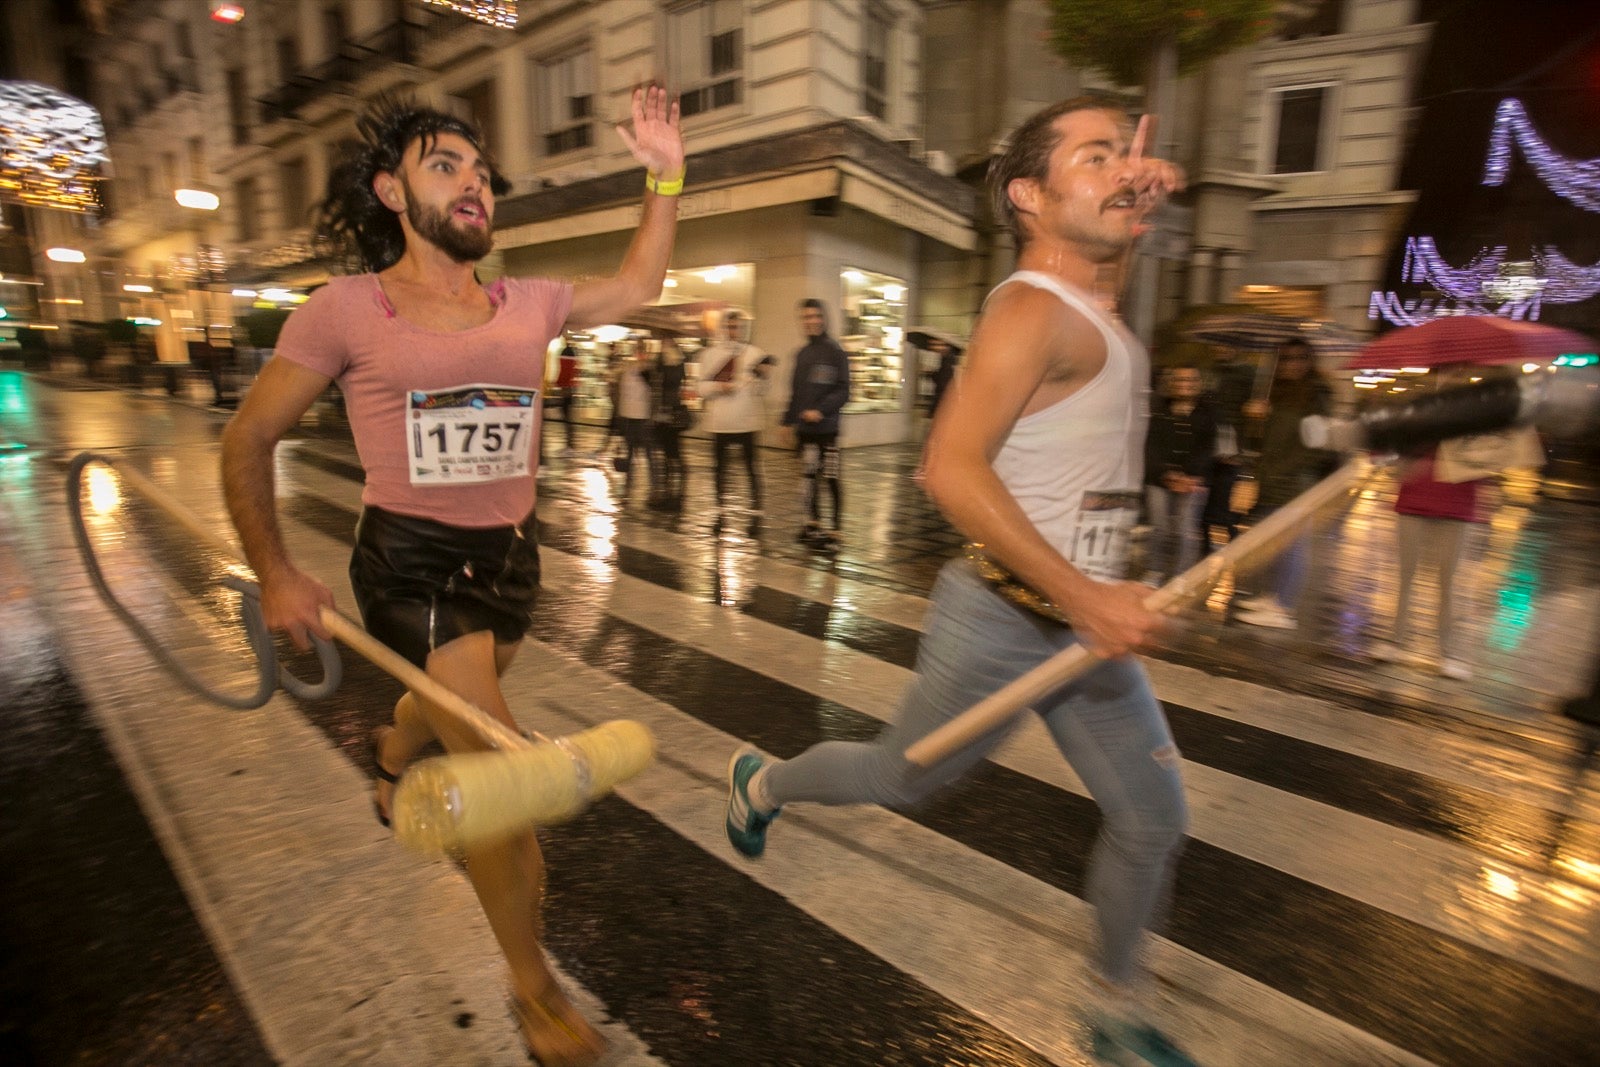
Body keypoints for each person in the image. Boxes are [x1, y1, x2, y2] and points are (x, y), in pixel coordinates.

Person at [219, 87, 683, 1066]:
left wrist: (666, 170)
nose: (474, 184)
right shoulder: (346, 309)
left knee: (448, 708)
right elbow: (249, 435)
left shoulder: (529, 302)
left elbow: (639, 285)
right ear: (392, 190)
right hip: (411, 564)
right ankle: (534, 988)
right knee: (501, 772)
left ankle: (394, 747)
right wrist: (274, 570)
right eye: (446, 166)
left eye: (479, 172)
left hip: (511, 558)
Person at [725, 96, 1193, 1064]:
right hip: (1006, 617)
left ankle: (1114, 1004)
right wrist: (1089, 596)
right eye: (1094, 156)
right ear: (1028, 194)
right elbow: (947, 467)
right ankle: (763, 780)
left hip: (1082, 626)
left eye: (1124, 155)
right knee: (902, 775)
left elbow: (1104, 277)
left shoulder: (1092, 301)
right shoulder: (1029, 308)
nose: (1120, 170)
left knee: (1151, 817)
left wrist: (1127, 204)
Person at [1371, 364, 1502, 680]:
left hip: (1458, 505)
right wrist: (1399, 462)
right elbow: (1385, 449)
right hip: (1414, 500)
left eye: (1458, 374)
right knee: (1404, 577)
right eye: (1443, 374)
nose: (1449, 380)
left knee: (1451, 582)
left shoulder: (1479, 417)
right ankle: (1395, 641)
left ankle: (1450, 653)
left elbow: (1493, 457)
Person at [1233, 338, 1335, 630]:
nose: (1293, 363)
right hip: (1268, 479)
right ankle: (1270, 596)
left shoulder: (1317, 395)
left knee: (1292, 545)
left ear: (1309, 360)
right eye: (1286, 358)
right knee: (1271, 543)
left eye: (1300, 357)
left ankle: (1283, 607)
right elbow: (1256, 440)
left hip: (1296, 482)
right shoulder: (1271, 392)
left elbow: (1316, 447)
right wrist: (1253, 417)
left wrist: (1279, 471)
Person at [783, 298, 851, 550]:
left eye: (815, 316)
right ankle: (812, 524)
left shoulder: (835, 352)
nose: (811, 321)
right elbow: (795, 392)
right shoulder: (801, 354)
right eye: (806, 317)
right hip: (805, 433)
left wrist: (821, 411)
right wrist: (786, 422)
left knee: (831, 478)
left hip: (828, 432)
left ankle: (835, 530)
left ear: (823, 318)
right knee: (808, 478)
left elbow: (844, 391)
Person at [1142, 364, 1216, 585]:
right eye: (1180, 380)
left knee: (1186, 530)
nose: (1185, 385)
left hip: (1193, 482)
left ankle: (1182, 576)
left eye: (1191, 380)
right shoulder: (1159, 411)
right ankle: (1154, 571)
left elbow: (1207, 449)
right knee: (1158, 528)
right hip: (1159, 479)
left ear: (1198, 384)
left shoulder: (1207, 414)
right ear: (1171, 383)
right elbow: (1150, 446)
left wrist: (1191, 476)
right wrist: (1166, 473)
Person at [695, 309, 772, 520]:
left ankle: (756, 506)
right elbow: (700, 388)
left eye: (737, 327)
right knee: (720, 467)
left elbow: (763, 391)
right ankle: (720, 506)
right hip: (720, 422)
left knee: (751, 465)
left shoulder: (756, 354)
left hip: (748, 422)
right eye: (729, 326)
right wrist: (719, 387)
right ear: (723, 328)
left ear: (744, 329)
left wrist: (764, 377)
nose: (733, 331)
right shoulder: (710, 355)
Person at [647, 338, 690, 510]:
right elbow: (651, 383)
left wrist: (661, 364)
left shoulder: (676, 362)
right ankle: (667, 494)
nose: (662, 344)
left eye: (666, 342)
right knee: (665, 457)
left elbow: (671, 385)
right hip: (661, 416)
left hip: (672, 416)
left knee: (674, 456)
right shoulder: (661, 361)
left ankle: (677, 495)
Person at [547, 342, 580, 455]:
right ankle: (569, 445)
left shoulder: (566, 361)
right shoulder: (571, 362)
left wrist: (558, 383)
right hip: (568, 391)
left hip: (566, 391)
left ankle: (570, 445)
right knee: (567, 420)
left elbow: (563, 374)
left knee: (567, 420)